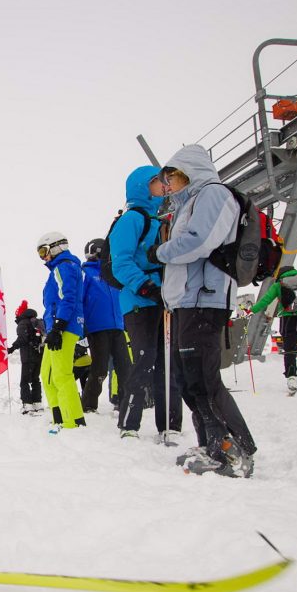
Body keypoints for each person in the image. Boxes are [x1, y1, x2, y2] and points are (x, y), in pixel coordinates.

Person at [147, 146, 257, 478]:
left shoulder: (213, 194)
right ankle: (212, 443)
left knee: (203, 379)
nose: (167, 183)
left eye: (171, 176)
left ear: (187, 171)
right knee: (186, 378)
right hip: (186, 302)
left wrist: (160, 252)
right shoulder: (187, 204)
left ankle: (234, 450)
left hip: (204, 301)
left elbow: (200, 242)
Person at [108, 166, 180, 440]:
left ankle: (170, 425)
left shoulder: (161, 220)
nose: (164, 186)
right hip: (139, 301)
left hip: (163, 299)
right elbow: (121, 263)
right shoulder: (132, 219)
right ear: (142, 185)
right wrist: (146, 286)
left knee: (167, 363)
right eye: (157, 182)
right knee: (144, 359)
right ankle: (129, 424)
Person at [37, 231, 87, 432]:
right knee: (47, 375)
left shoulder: (64, 266)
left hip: (63, 326)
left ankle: (73, 421)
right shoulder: (62, 267)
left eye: (43, 251)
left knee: (61, 375)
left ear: (56, 247)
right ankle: (59, 417)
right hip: (57, 326)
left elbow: (68, 297)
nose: (43, 257)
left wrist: (59, 325)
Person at [80, 239, 132, 414]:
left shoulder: (113, 274)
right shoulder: (86, 273)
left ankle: (125, 402)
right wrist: (83, 327)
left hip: (118, 326)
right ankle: (88, 405)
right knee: (100, 368)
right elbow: (79, 300)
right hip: (97, 327)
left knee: (125, 366)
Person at [7, 300, 44, 414]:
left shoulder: (23, 323)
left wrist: (11, 348)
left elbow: (22, 339)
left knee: (24, 381)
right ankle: (37, 403)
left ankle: (27, 405)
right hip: (39, 356)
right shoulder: (36, 322)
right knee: (35, 379)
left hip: (28, 357)